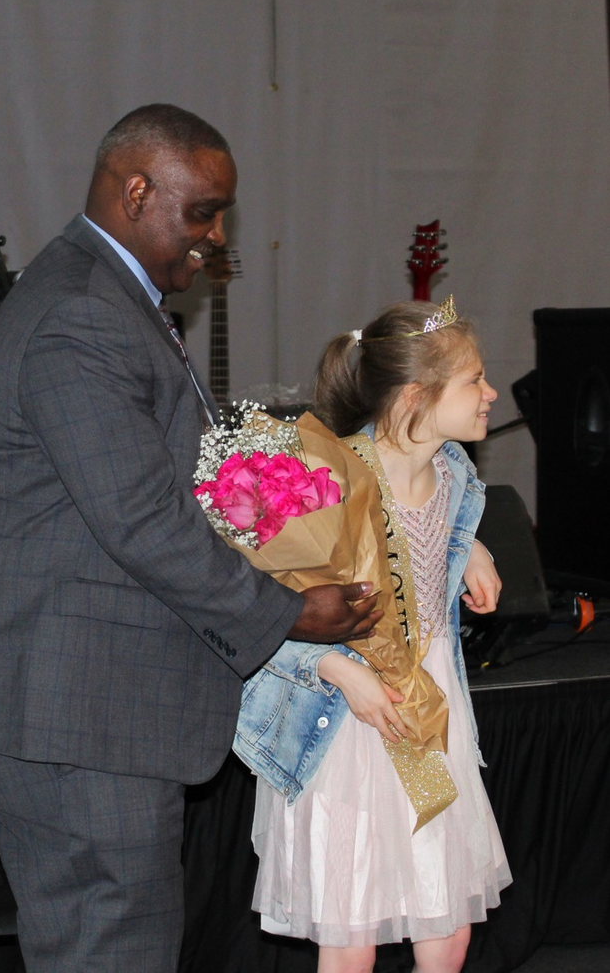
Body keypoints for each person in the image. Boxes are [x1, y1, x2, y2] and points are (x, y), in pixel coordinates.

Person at [0, 104, 381, 973]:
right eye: (202, 212)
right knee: (111, 952)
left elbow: (170, 491)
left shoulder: (108, 300)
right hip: (76, 712)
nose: (215, 238)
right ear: (136, 189)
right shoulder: (83, 314)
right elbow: (139, 519)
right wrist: (287, 612)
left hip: (85, 708)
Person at [234, 297, 512, 973]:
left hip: (426, 710)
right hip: (347, 724)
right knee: (352, 930)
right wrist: (341, 672)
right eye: (473, 379)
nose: (491, 392)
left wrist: (470, 547)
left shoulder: (455, 472)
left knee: (446, 931)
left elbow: (442, 531)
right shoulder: (323, 476)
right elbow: (255, 608)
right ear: (416, 396)